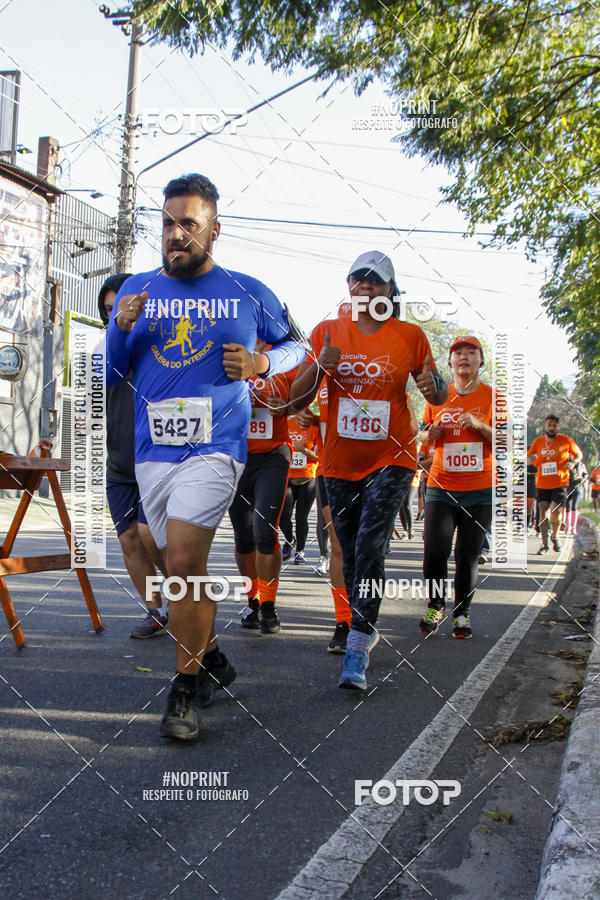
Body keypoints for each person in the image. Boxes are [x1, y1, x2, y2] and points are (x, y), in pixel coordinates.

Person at [105, 173, 306, 740]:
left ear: (214, 230)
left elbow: (298, 344)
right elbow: (112, 372)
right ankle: (211, 656)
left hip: (216, 447)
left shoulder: (247, 289)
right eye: (168, 223)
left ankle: (185, 691)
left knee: (188, 560)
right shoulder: (136, 292)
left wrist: (264, 365)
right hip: (153, 451)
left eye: (188, 224)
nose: (176, 234)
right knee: (175, 569)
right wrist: (119, 329)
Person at [291, 251, 447, 689]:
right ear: (348, 287)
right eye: (357, 280)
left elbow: (437, 388)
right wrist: (320, 366)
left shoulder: (410, 336)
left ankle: (357, 648)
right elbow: (299, 398)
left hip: (392, 456)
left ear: (390, 292)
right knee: (353, 553)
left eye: (374, 282)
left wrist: (433, 386)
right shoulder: (327, 332)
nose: (364, 287)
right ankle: (366, 623)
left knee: (370, 545)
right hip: (339, 462)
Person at [99, 274, 168, 639]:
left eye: (122, 306)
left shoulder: (157, 345)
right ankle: (155, 610)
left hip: (155, 457)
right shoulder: (103, 348)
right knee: (129, 539)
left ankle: (183, 599)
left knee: (151, 537)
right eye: (109, 310)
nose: (117, 314)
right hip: (118, 461)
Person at [419, 336, 498, 640]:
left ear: (480, 361)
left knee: (467, 555)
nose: (464, 358)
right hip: (441, 486)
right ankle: (435, 605)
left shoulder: (495, 398)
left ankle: (462, 614)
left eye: (471, 353)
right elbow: (423, 437)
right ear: (451, 363)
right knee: (434, 552)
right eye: (458, 354)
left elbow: (507, 442)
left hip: (480, 491)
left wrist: (480, 426)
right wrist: (428, 434)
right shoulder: (438, 397)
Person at [230, 356, 297, 634]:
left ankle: (269, 605)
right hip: (234, 455)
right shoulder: (229, 349)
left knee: (264, 531)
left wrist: (291, 406)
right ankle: (253, 600)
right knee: (244, 535)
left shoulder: (287, 356)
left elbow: (306, 395)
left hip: (273, 455)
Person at [527, 415, 582, 553]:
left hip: (560, 482)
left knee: (556, 512)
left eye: (554, 425)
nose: (551, 428)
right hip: (542, 483)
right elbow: (529, 457)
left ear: (559, 426)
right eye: (549, 425)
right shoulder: (538, 441)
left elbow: (579, 454)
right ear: (545, 426)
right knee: (543, 512)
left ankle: (555, 536)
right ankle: (544, 544)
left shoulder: (566, 440)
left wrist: (573, 462)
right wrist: (531, 459)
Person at [280, 412, 320, 565]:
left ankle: (300, 551)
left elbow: (320, 456)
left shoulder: (315, 428)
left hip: (307, 477)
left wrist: (304, 450)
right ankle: (290, 540)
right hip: (288, 477)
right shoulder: (287, 425)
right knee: (283, 515)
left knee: (301, 517)